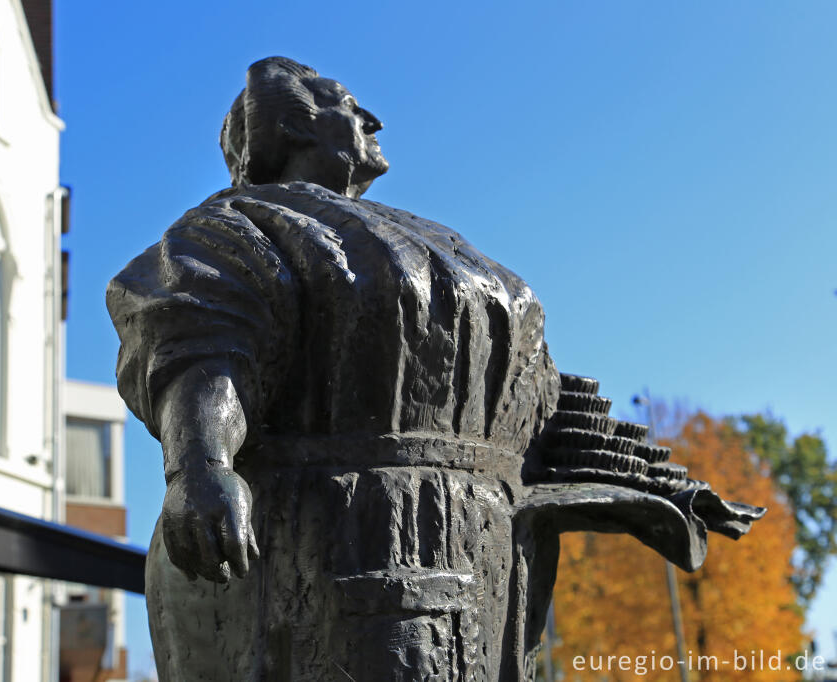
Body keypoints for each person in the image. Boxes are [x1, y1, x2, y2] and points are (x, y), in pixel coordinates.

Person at [108, 57, 762, 681]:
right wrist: (199, 466)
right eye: (348, 106)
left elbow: (521, 391)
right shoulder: (235, 223)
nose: (374, 120)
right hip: (334, 535)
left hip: (490, 544)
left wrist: (657, 486)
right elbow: (200, 340)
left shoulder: (436, 236)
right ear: (293, 125)